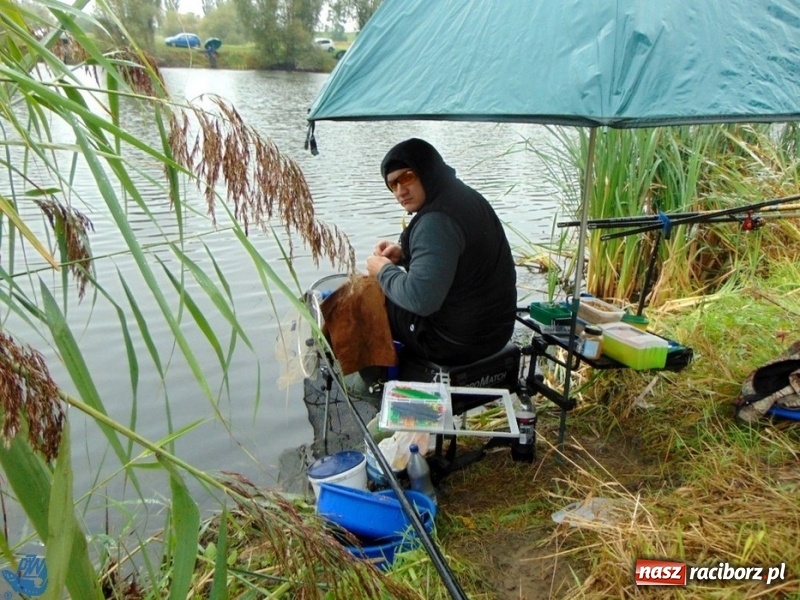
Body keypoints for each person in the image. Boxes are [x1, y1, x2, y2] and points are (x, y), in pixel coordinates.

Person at [366, 138, 517, 366]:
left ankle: (376, 381)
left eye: (407, 177)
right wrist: (404, 256)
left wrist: (384, 271)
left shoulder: (435, 223)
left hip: (454, 342)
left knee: (368, 296)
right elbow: (460, 257)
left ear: (427, 171)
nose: (400, 191)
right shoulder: (463, 196)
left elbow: (420, 300)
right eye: (392, 185)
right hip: (495, 332)